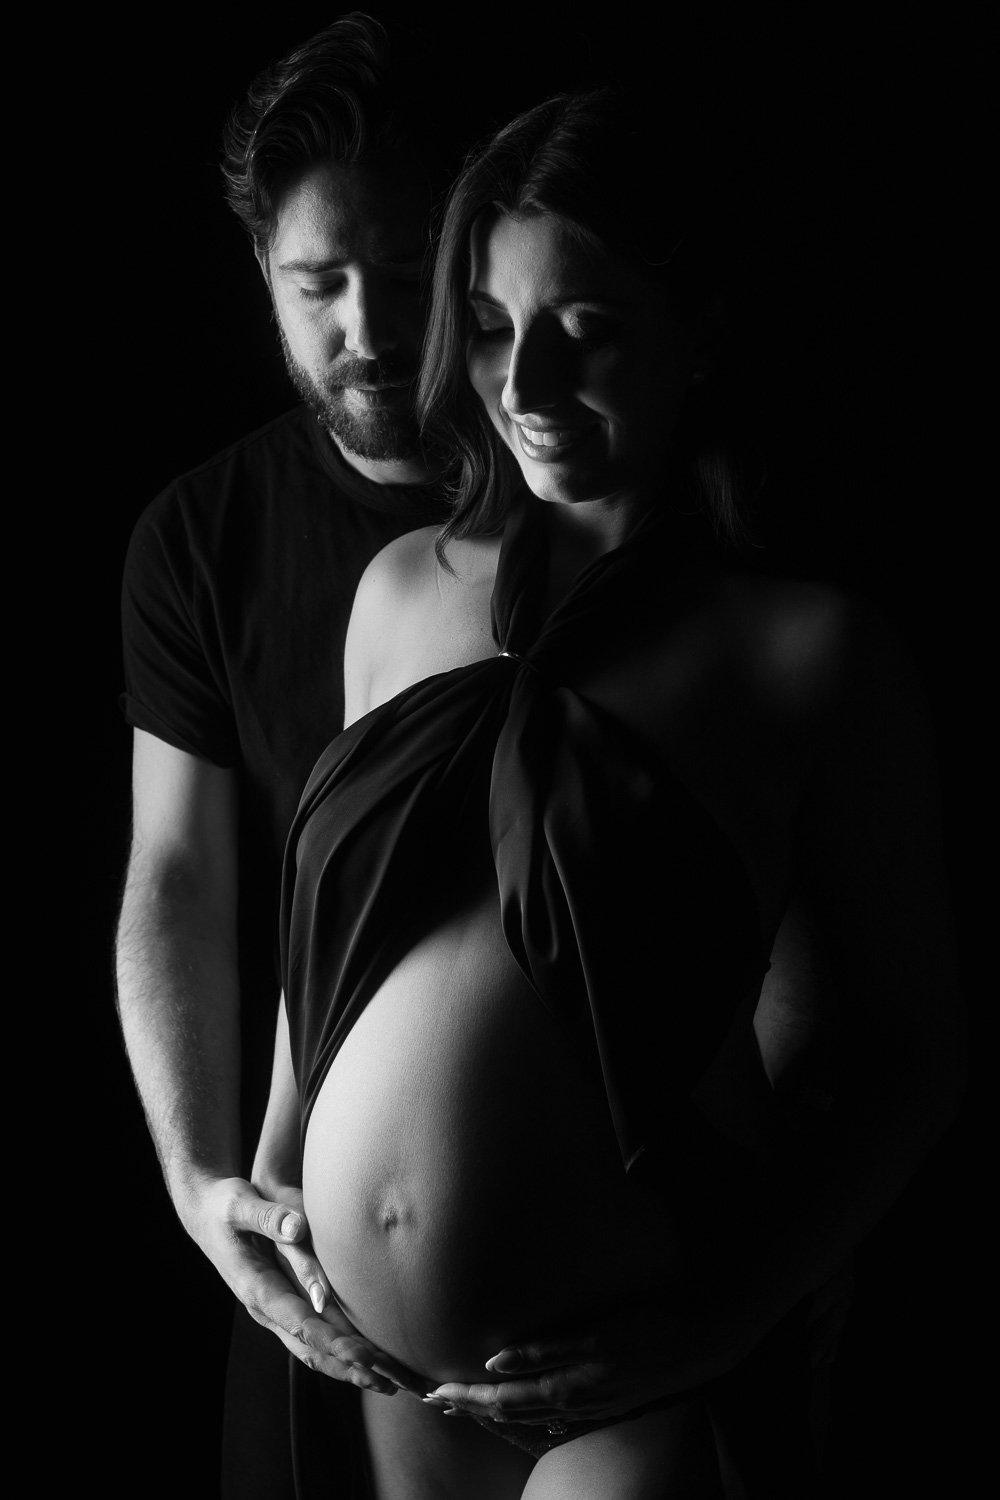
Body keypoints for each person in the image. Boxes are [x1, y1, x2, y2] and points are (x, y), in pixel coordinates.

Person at [253, 88, 967, 1497]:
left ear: (699, 332)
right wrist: (277, 1185)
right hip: (384, 1369)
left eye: (588, 328)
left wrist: (726, 1318)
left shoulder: (801, 650)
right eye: (498, 328)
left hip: (625, 1360)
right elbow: (325, 934)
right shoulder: (397, 593)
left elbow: (907, 1057)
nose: (524, 387)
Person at [114, 13, 453, 1495]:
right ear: (261, 273)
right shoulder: (203, 540)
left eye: (406, 272)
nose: (370, 330)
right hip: (315, 1279)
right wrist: (201, 1190)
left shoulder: (588, 508)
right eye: (321, 285)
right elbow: (178, 876)